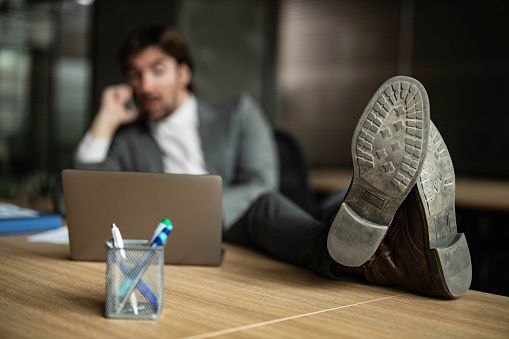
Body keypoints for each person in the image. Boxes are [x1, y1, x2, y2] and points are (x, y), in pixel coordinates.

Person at [66, 24, 471, 298]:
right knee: (322, 214)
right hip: (183, 242)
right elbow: (77, 202)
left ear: (184, 73)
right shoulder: (127, 141)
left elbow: (261, 182)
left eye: (157, 70)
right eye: (135, 75)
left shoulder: (237, 114)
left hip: (249, 223)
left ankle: (390, 247)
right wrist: (104, 121)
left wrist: (205, 211)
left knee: (305, 204)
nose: (145, 85)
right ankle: (404, 253)